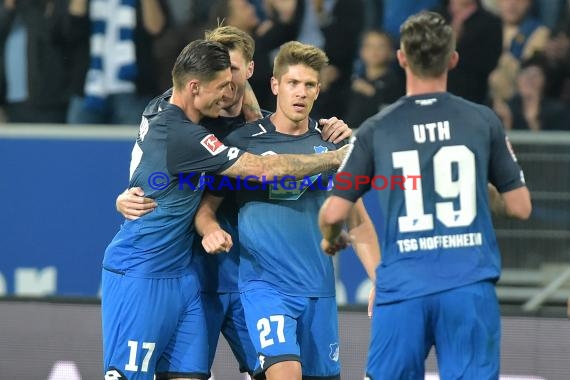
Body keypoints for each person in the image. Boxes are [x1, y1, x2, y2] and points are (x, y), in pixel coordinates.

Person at [102, 39, 349, 380]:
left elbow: (148, 160)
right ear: (196, 85)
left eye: (236, 76)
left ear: (250, 71)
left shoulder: (165, 106)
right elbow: (263, 168)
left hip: (201, 275)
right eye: (221, 83)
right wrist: (335, 157)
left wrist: (328, 133)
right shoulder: (185, 132)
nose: (228, 90)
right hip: (148, 269)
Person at [318, 11, 532, 379]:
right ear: (452, 59)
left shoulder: (376, 129)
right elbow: (520, 206)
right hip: (468, 285)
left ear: (401, 58)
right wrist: (479, 192)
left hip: (403, 289)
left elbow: (333, 212)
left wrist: (331, 239)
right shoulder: (483, 121)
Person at [194, 41, 380, 380]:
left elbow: (358, 222)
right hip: (265, 288)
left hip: (319, 290)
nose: (301, 93)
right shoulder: (244, 142)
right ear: (275, 85)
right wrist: (210, 230)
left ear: (318, 90)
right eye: (292, 83)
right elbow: (206, 208)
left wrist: (380, 279)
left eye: (309, 85)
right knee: (286, 374)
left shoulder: (333, 144)